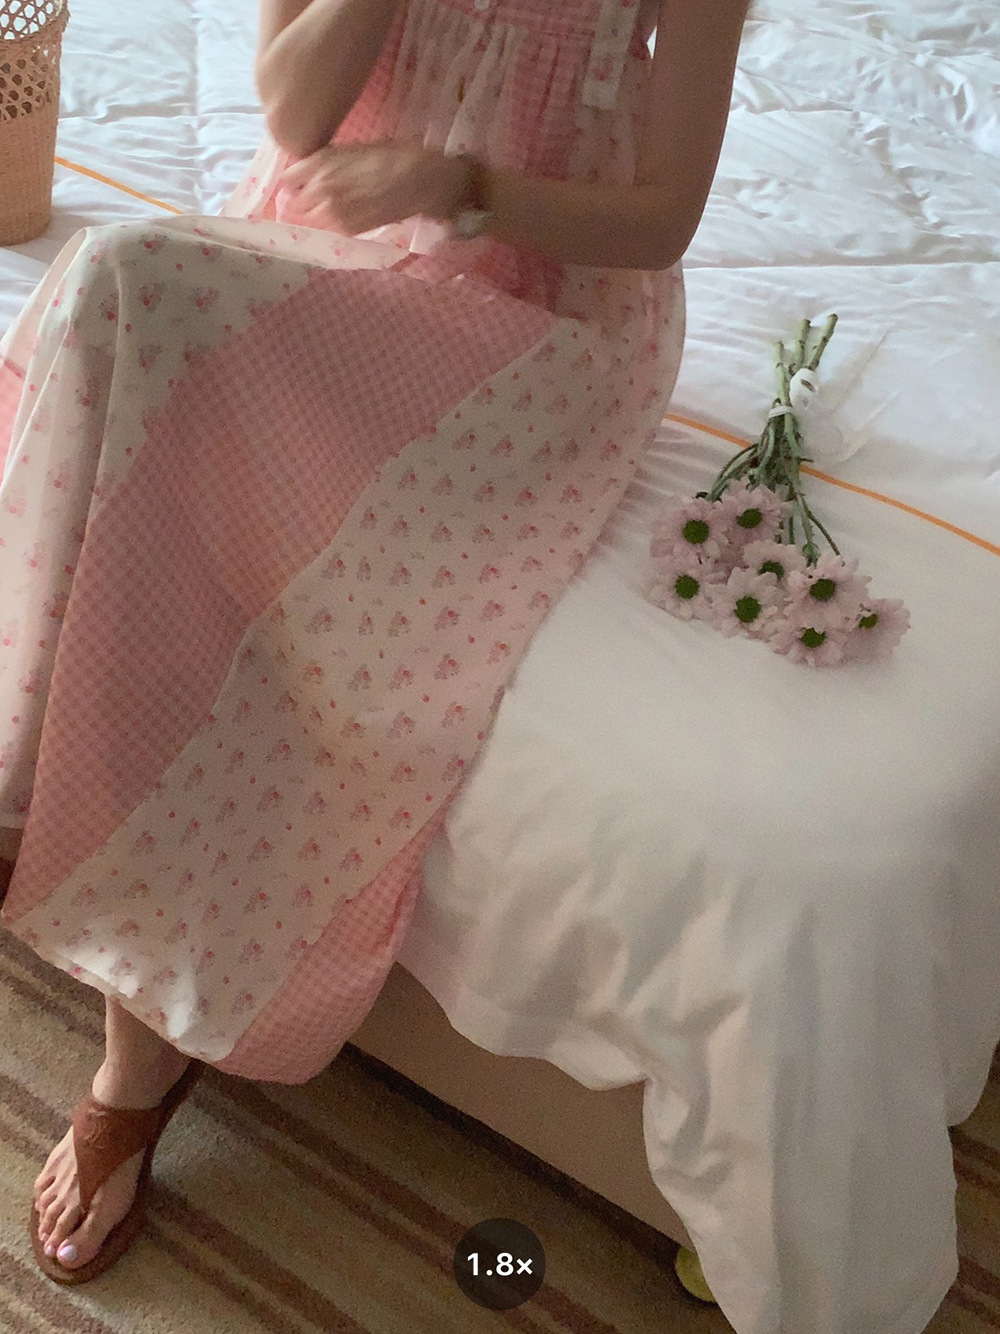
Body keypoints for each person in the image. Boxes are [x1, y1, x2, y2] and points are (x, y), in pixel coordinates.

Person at [0, 0, 749, 1283]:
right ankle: (31, 805)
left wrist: (453, 186)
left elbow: (661, 219)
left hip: (537, 322)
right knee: (119, 306)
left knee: (131, 289)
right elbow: (293, 115)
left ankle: (127, 1034)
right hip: (328, 252)